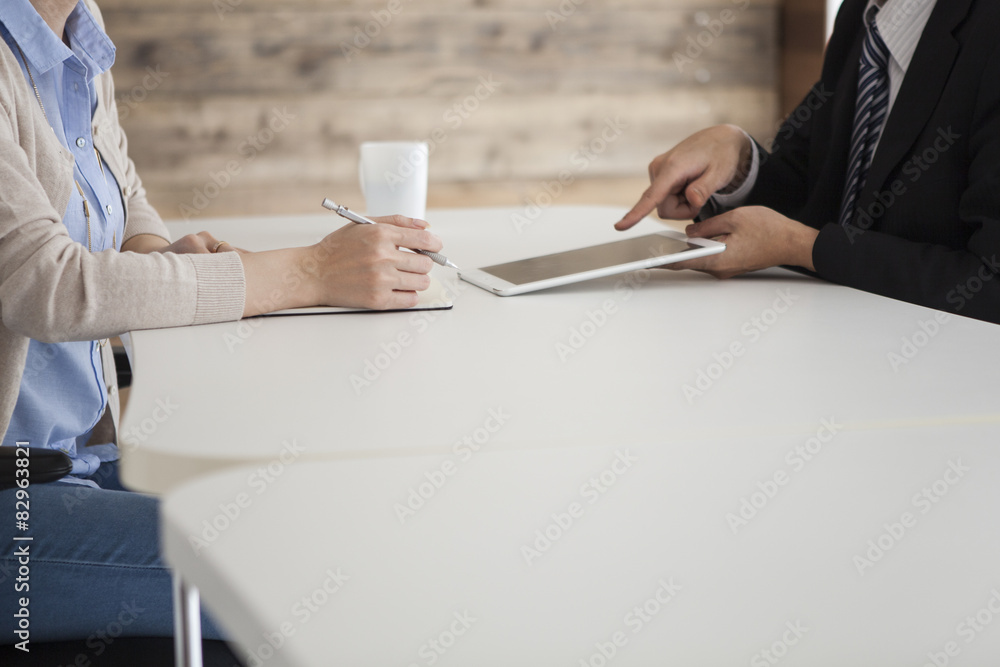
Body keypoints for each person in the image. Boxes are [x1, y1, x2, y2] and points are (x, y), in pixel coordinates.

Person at [0, 0, 444, 649]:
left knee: (322, 517)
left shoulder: (76, 29)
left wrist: (154, 258)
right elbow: (49, 285)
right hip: (15, 495)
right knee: (290, 573)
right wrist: (308, 273)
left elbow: (125, 195)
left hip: (71, 459)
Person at [616, 0, 1000, 326]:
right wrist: (738, 164)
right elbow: (811, 189)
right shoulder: (863, 15)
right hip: (833, 339)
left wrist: (802, 247)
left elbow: (989, 284)